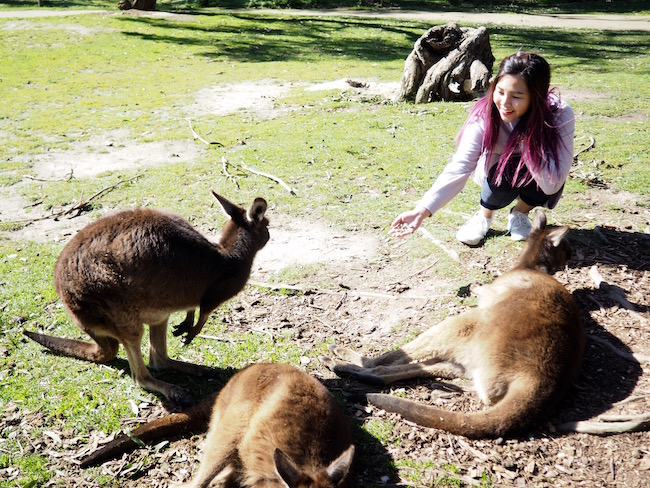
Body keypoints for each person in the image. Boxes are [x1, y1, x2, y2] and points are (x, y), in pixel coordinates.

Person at [390, 51, 575, 246]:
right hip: (496, 172)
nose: (504, 103)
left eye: (517, 96)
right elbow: (459, 167)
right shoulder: (484, 117)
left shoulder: (559, 114)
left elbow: (552, 183)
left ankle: (520, 213)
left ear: (536, 97)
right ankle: (484, 215)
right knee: (506, 168)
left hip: (538, 171)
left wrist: (528, 138)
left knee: (541, 172)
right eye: (500, 91)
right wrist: (421, 210)